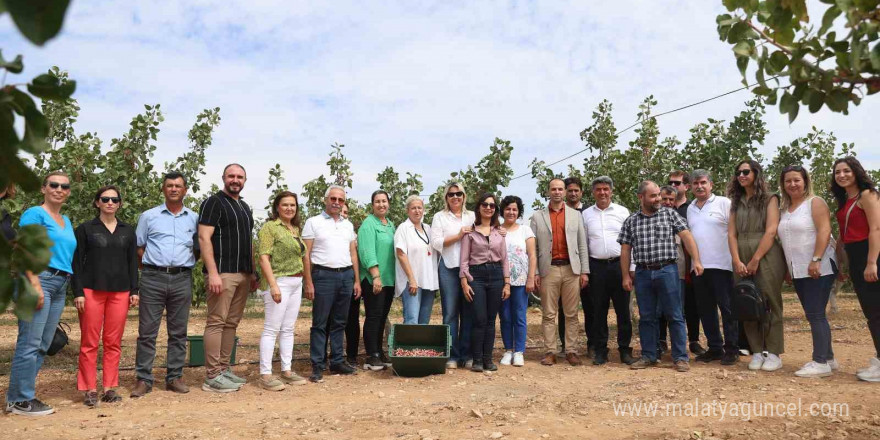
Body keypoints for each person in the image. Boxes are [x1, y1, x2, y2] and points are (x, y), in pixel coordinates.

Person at [6, 172, 77, 416]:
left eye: (64, 186)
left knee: (44, 343)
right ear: (43, 189)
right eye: (54, 185)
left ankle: (22, 396)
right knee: (30, 342)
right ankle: (19, 400)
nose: (59, 189)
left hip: (59, 283)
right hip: (39, 279)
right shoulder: (34, 214)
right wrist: (34, 284)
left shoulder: (65, 220)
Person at [618, 180, 703, 372]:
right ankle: (649, 356)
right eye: (653, 195)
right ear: (641, 197)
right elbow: (625, 250)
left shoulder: (670, 214)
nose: (658, 199)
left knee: (675, 315)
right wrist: (625, 275)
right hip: (642, 273)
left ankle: (680, 358)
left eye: (658, 194)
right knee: (647, 317)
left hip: (668, 271)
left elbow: (687, 236)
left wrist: (697, 260)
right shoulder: (631, 221)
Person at [132, 172, 198, 398]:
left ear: (185, 190)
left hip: (182, 278)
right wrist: (152, 269)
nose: (173, 189)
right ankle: (143, 379)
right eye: (169, 185)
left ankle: (174, 377)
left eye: (178, 186)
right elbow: (139, 248)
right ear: (163, 189)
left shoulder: (194, 218)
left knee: (178, 332)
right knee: (147, 332)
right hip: (152, 277)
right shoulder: (148, 217)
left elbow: (197, 249)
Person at [72, 186, 139, 407]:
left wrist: (134, 290)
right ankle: (89, 389)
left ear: (119, 203)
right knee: (89, 342)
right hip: (91, 290)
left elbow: (132, 263)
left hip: (120, 292)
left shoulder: (128, 230)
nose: (110, 202)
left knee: (113, 342)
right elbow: (76, 263)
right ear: (97, 202)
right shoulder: (85, 229)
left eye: (114, 199)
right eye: (105, 199)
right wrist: (78, 292)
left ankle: (109, 387)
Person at [198, 163, 257, 392]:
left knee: (231, 323)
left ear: (245, 180)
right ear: (223, 177)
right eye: (231, 176)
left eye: (240, 176)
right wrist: (212, 272)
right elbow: (204, 238)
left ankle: (224, 368)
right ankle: (212, 375)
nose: (235, 180)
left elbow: (248, 242)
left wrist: (252, 272)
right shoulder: (213, 202)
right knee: (216, 322)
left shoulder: (244, 207)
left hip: (242, 273)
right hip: (222, 272)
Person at [777, 166, 838, 378]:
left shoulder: (815, 202)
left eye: (797, 180)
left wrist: (816, 259)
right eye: (788, 181)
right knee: (814, 314)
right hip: (798, 269)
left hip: (817, 267)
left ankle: (820, 361)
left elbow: (825, 230)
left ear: (805, 181)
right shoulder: (785, 209)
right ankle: (828, 358)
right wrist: (788, 268)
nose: (792, 184)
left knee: (815, 314)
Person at [727, 160, 787, 371]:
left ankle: (773, 353)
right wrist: (736, 259)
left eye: (746, 171)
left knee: (769, 302)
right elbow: (732, 233)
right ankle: (756, 351)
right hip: (740, 253)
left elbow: (771, 230)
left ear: (756, 173)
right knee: (746, 303)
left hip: (766, 254)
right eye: (738, 173)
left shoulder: (770, 198)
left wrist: (755, 259)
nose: (741, 175)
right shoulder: (736, 200)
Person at [303, 185, 361, 383]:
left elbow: (353, 253)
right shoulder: (313, 222)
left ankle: (337, 361)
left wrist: (356, 280)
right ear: (325, 200)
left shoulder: (348, 225)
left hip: (345, 276)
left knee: (340, 322)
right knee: (319, 323)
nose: (337, 202)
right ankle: (317, 365)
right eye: (333, 199)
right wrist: (308, 281)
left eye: (341, 200)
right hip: (323, 276)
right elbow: (306, 254)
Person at [530, 178, 590, 367]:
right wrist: (536, 273)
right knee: (549, 314)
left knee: (571, 314)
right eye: (553, 189)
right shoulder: (537, 217)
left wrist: (584, 271)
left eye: (560, 189)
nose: (557, 192)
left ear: (564, 192)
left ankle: (571, 351)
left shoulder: (575, 215)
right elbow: (533, 247)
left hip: (571, 269)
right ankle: (550, 351)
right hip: (549, 270)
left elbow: (582, 244)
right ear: (548, 192)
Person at [831, 157, 880, 382]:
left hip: (870, 255)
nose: (842, 175)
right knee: (871, 312)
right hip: (855, 256)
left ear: (856, 171)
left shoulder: (868, 195)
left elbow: (876, 228)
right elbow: (844, 235)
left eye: (846, 171)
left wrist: (872, 262)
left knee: (876, 312)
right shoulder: (845, 200)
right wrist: (843, 263)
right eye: (838, 172)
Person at [256, 191, 308, 391]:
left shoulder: (294, 228)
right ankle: (266, 374)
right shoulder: (270, 227)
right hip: (279, 281)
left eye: (293, 205)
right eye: (285, 205)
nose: (289, 208)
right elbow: (263, 257)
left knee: (288, 328)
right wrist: (273, 285)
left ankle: (286, 370)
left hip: (296, 282)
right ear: (277, 207)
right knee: (272, 328)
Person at [582, 177, 635, 365]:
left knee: (623, 311)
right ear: (593, 192)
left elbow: (631, 241)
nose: (602, 192)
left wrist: (631, 269)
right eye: (598, 189)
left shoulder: (622, 212)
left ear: (611, 191)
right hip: (596, 267)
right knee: (598, 311)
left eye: (605, 189)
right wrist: (585, 270)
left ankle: (625, 350)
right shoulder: (586, 214)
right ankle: (601, 351)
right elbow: (584, 244)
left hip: (620, 265)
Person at [687, 169, 738, 366]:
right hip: (699, 267)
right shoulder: (690, 208)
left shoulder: (724, 203)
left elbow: (734, 232)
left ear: (711, 185)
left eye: (703, 183)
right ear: (691, 187)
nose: (699, 186)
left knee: (727, 309)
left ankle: (732, 348)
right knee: (706, 309)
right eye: (695, 184)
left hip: (722, 265)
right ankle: (715, 348)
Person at [460, 193, 511, 372]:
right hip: (477, 276)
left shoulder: (500, 233)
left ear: (495, 210)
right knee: (479, 319)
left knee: (491, 319)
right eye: (485, 204)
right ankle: (477, 360)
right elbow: (464, 260)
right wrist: (464, 282)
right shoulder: (470, 233)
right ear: (479, 208)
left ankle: (488, 359)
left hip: (497, 275)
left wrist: (507, 283)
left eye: (492, 205)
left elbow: (505, 259)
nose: (488, 208)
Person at [431, 182, 476, 369]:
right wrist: (458, 236)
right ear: (446, 198)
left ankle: (466, 354)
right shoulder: (440, 217)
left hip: (470, 270)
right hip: (448, 268)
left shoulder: (472, 216)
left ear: (464, 196)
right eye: (451, 194)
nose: (455, 197)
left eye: (459, 194)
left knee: (468, 313)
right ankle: (451, 355)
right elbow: (436, 242)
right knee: (450, 313)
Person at [662, 170, 706, 356]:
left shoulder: (692, 208)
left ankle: (694, 340)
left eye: (677, 183)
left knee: (692, 304)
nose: (674, 186)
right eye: (671, 182)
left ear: (686, 186)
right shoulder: (663, 208)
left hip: (691, 263)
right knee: (666, 305)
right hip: (672, 265)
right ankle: (663, 341)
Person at [358, 190, 396, 371]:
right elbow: (366, 251)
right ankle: (371, 355)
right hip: (375, 278)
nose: (381, 204)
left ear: (388, 203)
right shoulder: (368, 224)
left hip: (388, 279)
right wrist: (375, 275)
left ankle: (379, 352)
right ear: (372, 205)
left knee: (382, 316)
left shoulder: (390, 225)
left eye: (384, 201)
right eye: (377, 202)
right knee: (373, 316)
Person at [498, 195, 536, 367]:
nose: (511, 212)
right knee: (505, 316)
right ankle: (508, 350)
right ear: (502, 211)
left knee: (519, 316)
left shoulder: (525, 230)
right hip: (501, 281)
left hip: (521, 280)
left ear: (519, 211)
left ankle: (519, 351)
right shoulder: (496, 229)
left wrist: (531, 278)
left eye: (514, 209)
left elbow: (532, 255)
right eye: (507, 209)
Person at [559, 176, 593, 357]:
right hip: (564, 267)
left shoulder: (588, 212)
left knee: (590, 307)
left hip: (586, 266)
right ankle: (566, 346)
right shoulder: (558, 212)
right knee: (564, 309)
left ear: (581, 192)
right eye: (569, 190)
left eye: (576, 190)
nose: (572, 193)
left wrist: (585, 269)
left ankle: (592, 345)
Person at [394, 195, 439, 325]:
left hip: (428, 281)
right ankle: (408, 346)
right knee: (412, 319)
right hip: (412, 282)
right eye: (413, 208)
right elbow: (401, 253)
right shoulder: (403, 228)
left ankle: (421, 346)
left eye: (419, 208)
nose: (417, 211)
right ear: (407, 211)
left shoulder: (428, 229)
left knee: (424, 320)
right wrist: (412, 279)